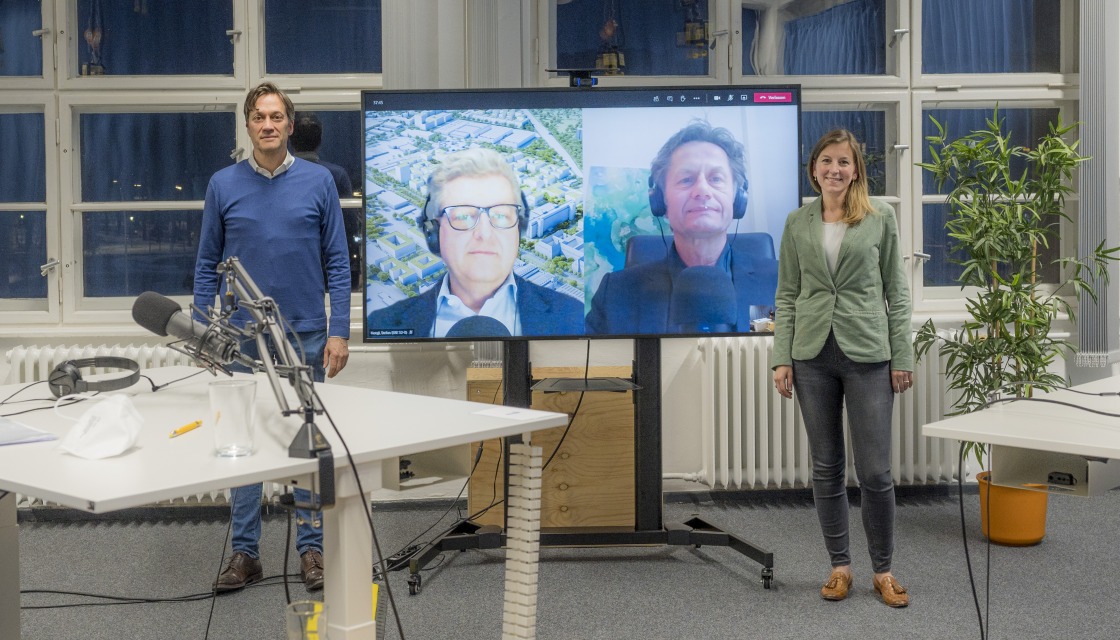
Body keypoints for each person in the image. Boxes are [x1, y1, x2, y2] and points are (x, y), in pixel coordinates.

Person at [194, 82, 351, 593]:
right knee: (243, 447)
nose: (268, 125)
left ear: (289, 124)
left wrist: (340, 332)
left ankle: (312, 551)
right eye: (259, 117)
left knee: (307, 446)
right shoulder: (223, 184)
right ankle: (245, 553)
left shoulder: (319, 182)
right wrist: (203, 334)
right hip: (240, 340)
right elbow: (205, 266)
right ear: (248, 125)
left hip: (305, 335)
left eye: (276, 117)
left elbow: (337, 262)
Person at [771, 129, 913, 607]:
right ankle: (840, 567)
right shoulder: (796, 222)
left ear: (856, 170)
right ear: (814, 169)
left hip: (869, 355)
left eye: (844, 162)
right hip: (812, 357)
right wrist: (781, 357)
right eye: (827, 161)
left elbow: (898, 291)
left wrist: (903, 356)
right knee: (826, 468)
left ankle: (884, 571)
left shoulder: (880, 218)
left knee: (875, 471)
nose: (835, 169)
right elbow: (788, 295)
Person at [365, 147, 582, 338]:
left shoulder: (572, 316)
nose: (485, 233)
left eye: (501, 215)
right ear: (433, 231)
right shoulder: (384, 322)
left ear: (519, 229)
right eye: (463, 216)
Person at [584, 120, 776, 335]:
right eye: (686, 179)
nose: (702, 190)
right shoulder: (616, 294)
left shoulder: (782, 283)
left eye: (716, 178)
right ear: (660, 201)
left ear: (737, 198)